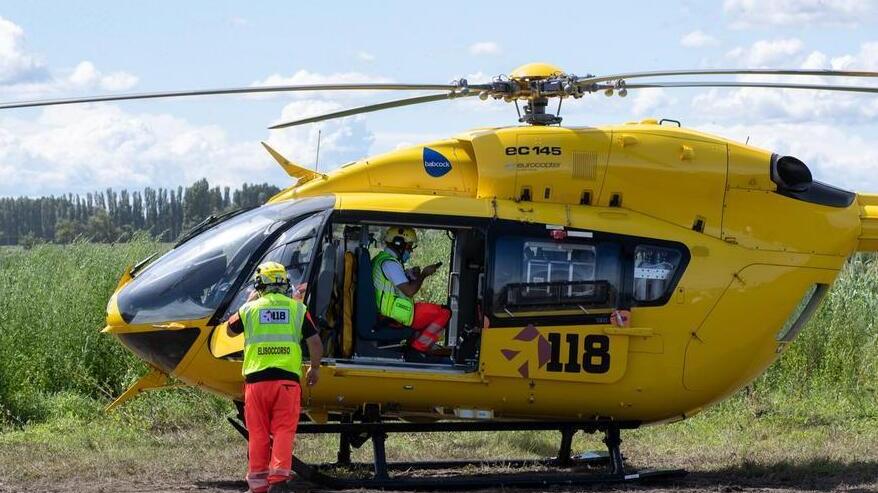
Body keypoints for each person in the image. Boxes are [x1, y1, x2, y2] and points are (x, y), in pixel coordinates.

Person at [226, 261, 323, 493]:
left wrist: (248, 302)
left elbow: (229, 331)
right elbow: (315, 342)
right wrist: (315, 368)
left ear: (259, 285)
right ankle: (278, 479)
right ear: (284, 284)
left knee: (258, 432)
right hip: (287, 383)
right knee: (283, 430)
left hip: (256, 383)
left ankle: (258, 484)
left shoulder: (249, 310)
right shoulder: (298, 309)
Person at [372, 226, 450, 353]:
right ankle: (418, 348)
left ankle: (416, 342)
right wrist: (424, 274)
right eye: (409, 247)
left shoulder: (382, 259)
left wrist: (409, 274)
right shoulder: (390, 264)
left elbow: (393, 284)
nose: (411, 251)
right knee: (445, 312)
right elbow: (410, 291)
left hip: (390, 312)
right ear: (399, 244)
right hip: (394, 316)